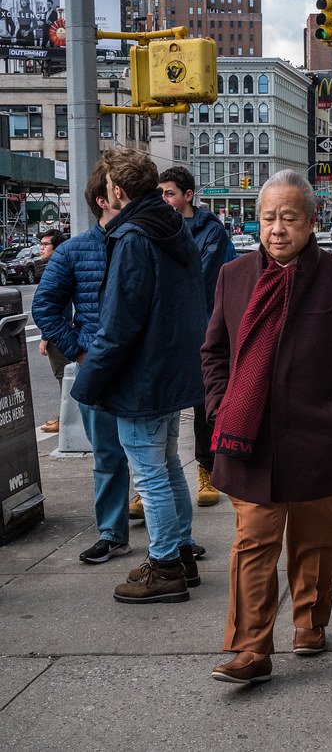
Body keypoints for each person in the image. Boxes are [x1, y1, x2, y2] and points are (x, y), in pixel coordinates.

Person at [202, 170, 332, 684]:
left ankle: (310, 623)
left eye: (288, 218)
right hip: (248, 437)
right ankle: (251, 649)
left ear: (310, 222)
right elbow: (214, 351)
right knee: (253, 541)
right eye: (267, 218)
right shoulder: (233, 277)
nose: (276, 229)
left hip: (316, 436)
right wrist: (220, 405)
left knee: (316, 539)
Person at [71, 148, 208, 604]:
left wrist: (88, 384)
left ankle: (167, 564)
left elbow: (118, 323)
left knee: (150, 473)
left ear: (119, 191)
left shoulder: (134, 238)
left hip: (145, 377)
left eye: (108, 185)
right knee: (167, 466)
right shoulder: (171, 227)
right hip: (168, 370)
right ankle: (181, 555)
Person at [32, 164, 135, 564]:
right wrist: (78, 351)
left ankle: (172, 538)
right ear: (103, 200)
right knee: (108, 456)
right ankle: (112, 533)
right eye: (121, 192)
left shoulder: (143, 242)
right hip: (99, 368)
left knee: (155, 458)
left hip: (141, 366)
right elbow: (44, 306)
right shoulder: (74, 251)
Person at [155, 165, 234, 509]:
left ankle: (207, 470)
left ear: (188, 196)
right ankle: (152, 482)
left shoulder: (210, 231)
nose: (164, 200)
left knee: (204, 405)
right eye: (160, 194)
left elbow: (196, 281)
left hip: (202, 329)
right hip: (168, 330)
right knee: (161, 406)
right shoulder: (154, 228)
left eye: (169, 193)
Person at [35, 228, 70, 433]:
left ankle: (66, 420)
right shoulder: (57, 266)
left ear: (56, 248)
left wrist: (45, 336)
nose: (41, 247)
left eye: (46, 244)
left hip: (59, 332)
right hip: (63, 330)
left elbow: (57, 305)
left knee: (63, 376)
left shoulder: (56, 269)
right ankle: (64, 416)